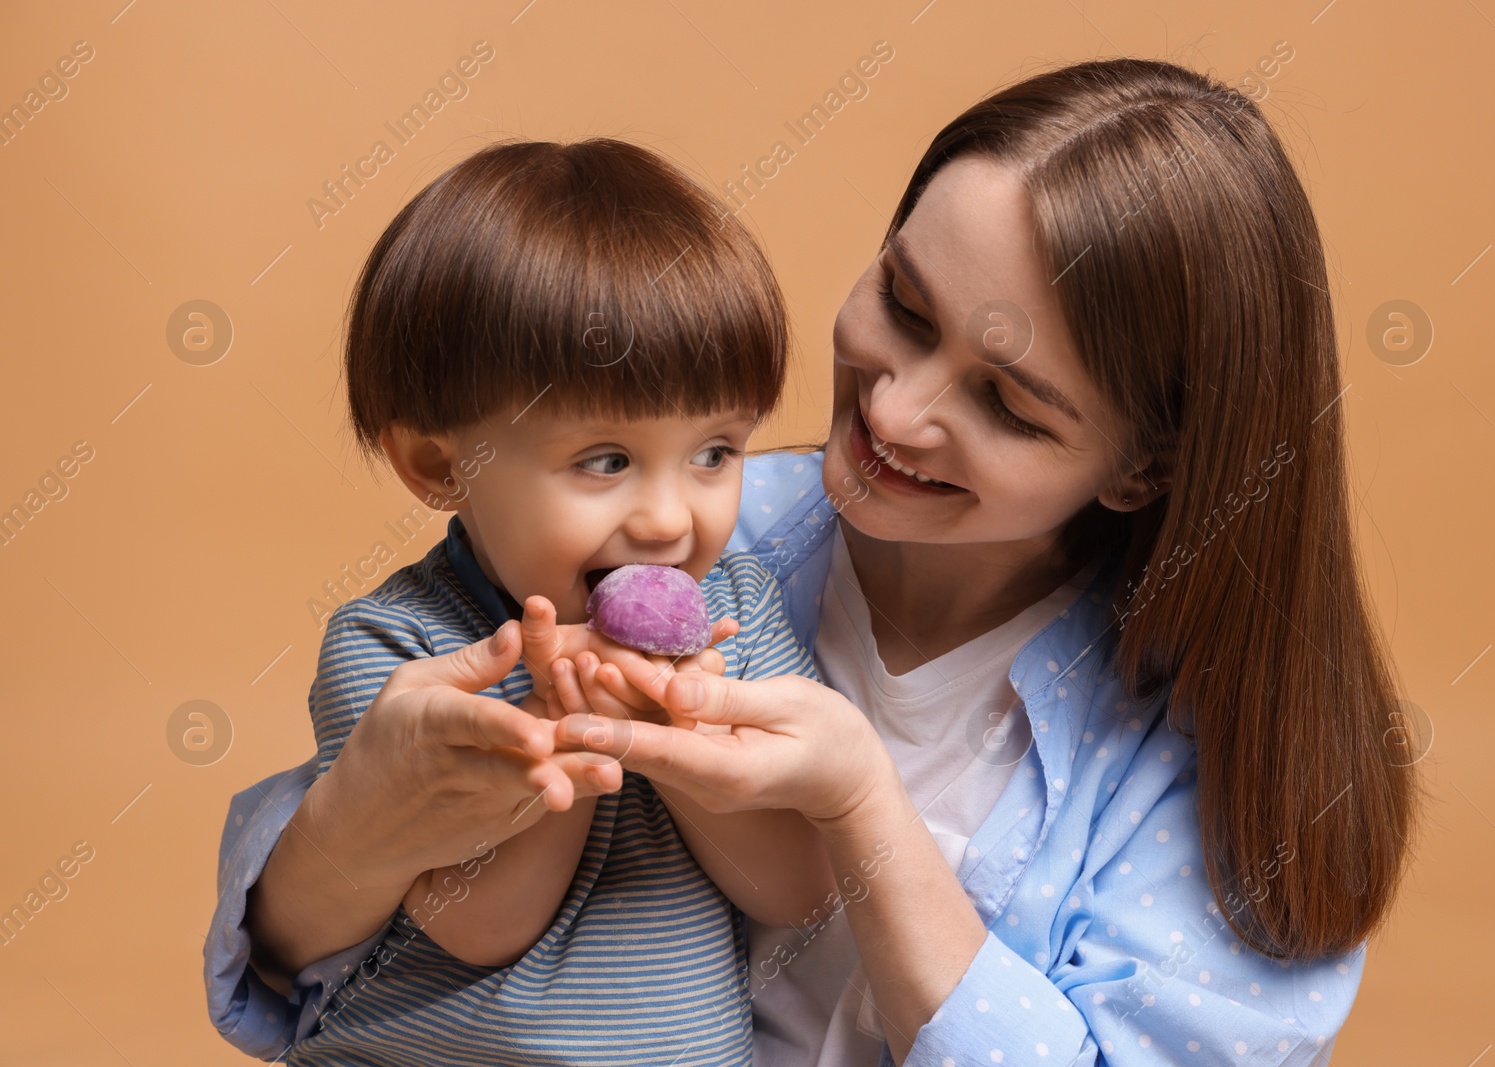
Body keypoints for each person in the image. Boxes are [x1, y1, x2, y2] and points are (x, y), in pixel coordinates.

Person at [206, 58, 1418, 1065]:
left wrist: (857, 801)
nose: (893, 413)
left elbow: (792, 879)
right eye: (901, 300)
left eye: (1007, 403)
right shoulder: (705, 535)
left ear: (1139, 469)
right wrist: (362, 828)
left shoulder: (1220, 747)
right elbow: (306, 945)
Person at [217, 136, 840, 1066]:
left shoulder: (738, 616)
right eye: (606, 461)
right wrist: (573, 722)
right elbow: (483, 925)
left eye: (715, 452)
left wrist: (677, 738)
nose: (671, 518)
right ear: (441, 465)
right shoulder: (401, 653)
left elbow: (794, 890)